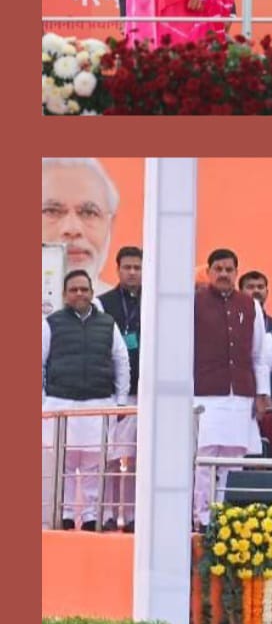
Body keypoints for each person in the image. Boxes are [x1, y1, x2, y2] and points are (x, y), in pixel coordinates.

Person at [42, 270, 130, 531]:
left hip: (98, 403)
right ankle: (66, 515)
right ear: (64, 295)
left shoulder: (108, 324)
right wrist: (43, 401)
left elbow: (121, 361)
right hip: (61, 404)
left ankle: (92, 517)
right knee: (65, 463)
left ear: (92, 293)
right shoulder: (50, 323)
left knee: (94, 463)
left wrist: (121, 400)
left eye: (84, 289)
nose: (79, 294)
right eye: (74, 290)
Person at [192, 248, 271, 529]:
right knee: (205, 458)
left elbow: (258, 355)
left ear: (236, 273)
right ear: (209, 272)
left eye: (229, 270)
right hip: (204, 393)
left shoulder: (250, 305)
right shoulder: (194, 302)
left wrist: (262, 394)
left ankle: (226, 515)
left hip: (239, 393)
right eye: (219, 269)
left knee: (234, 459)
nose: (224, 274)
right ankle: (202, 517)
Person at [98, 246, 142, 531]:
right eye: (127, 267)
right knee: (111, 458)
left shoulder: (155, 301)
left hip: (146, 392)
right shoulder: (103, 303)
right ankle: (109, 515)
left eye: (137, 267)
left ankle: (137, 516)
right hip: (114, 393)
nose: (132, 273)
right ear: (117, 269)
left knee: (140, 459)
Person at [42, 157, 119, 303]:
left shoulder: (126, 310)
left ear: (110, 225)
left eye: (89, 213)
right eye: (52, 211)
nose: (72, 229)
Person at [240, 270, 272, 408]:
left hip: (270, 393)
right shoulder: (234, 323)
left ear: (267, 292)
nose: (256, 290)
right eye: (250, 287)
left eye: (260, 287)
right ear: (240, 292)